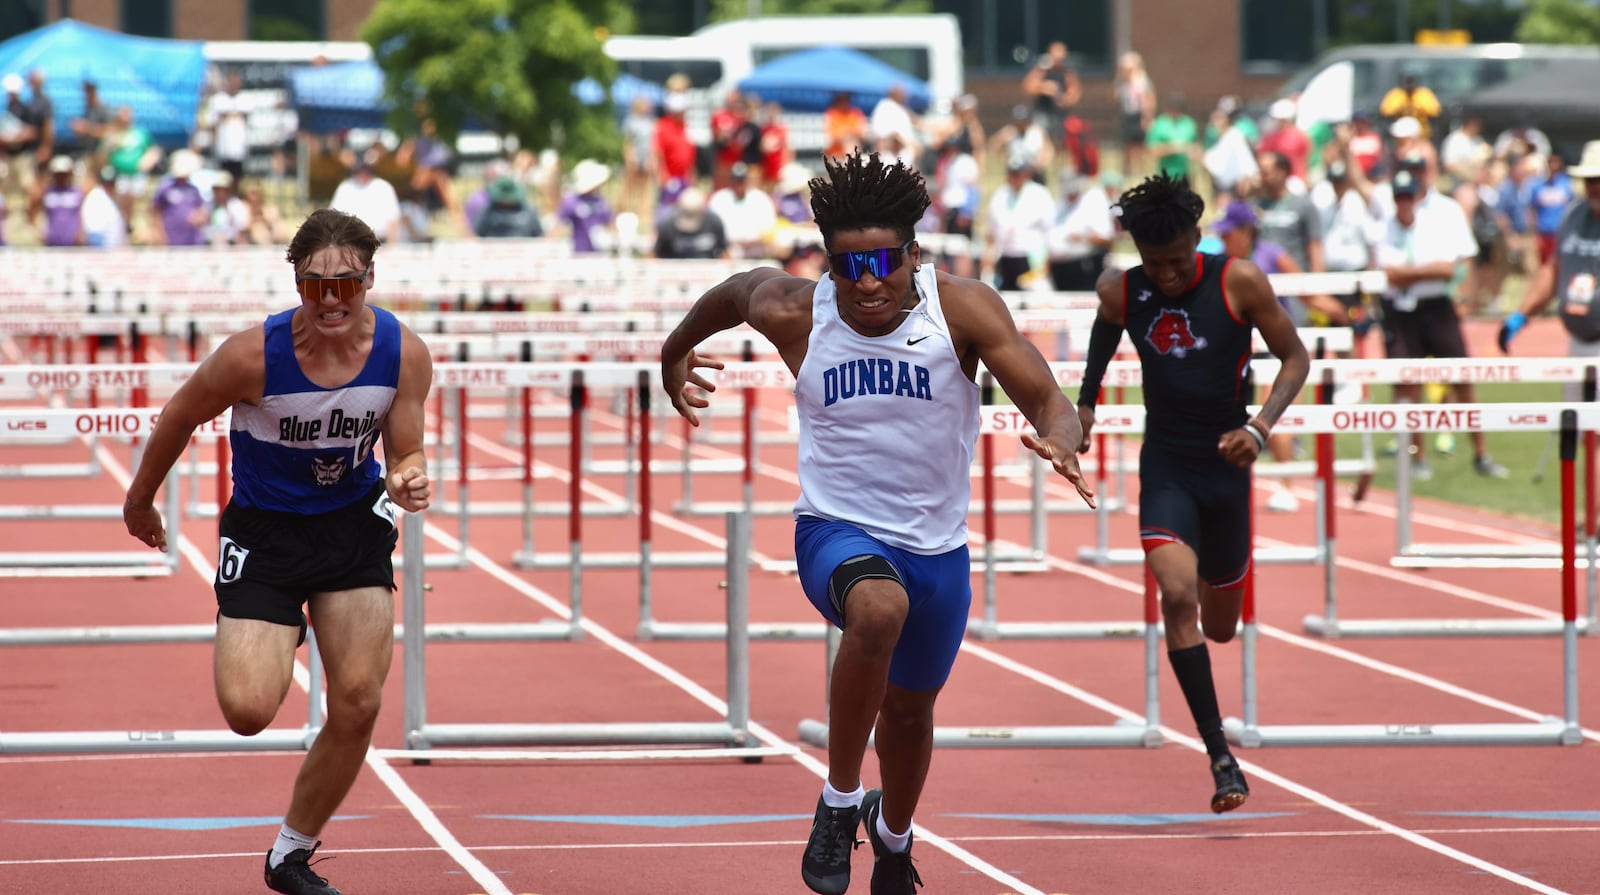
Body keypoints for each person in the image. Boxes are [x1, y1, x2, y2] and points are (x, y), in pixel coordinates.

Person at [660, 150, 1094, 895]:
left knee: (911, 714)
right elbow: (733, 293)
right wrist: (674, 353)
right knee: (876, 606)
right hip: (836, 529)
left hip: (938, 552)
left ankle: (891, 835)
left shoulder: (962, 307)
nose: (866, 282)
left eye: (884, 263)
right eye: (847, 265)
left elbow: (1051, 398)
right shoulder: (798, 311)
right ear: (827, 264)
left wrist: (1063, 437)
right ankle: (835, 802)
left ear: (915, 255)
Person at [122, 208, 433, 895]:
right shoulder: (252, 356)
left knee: (357, 699)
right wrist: (140, 499)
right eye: (314, 284)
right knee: (248, 709)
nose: (330, 300)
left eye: (345, 285)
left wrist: (409, 472)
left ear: (369, 280)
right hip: (266, 533)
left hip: (351, 527)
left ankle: (290, 853)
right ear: (295, 282)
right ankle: (274, 619)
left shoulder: (402, 353)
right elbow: (178, 413)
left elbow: (406, 445)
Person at [1075, 172, 1310, 813]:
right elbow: (1105, 326)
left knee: (1221, 626)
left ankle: (1218, 732)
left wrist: (1259, 429)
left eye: (1178, 262)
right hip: (1169, 467)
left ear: (1198, 240)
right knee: (1176, 595)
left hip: (1228, 467)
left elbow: (1296, 358)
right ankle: (1219, 756)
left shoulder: (1238, 281)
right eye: (1156, 265)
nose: (1169, 276)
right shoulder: (1123, 290)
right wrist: (1086, 405)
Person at [1500, 140, 1600, 396]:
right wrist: (1521, 315)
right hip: (1579, 340)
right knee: (1574, 424)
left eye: (1599, 179)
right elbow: (1554, 267)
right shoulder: (1574, 215)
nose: (1594, 187)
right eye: (1589, 180)